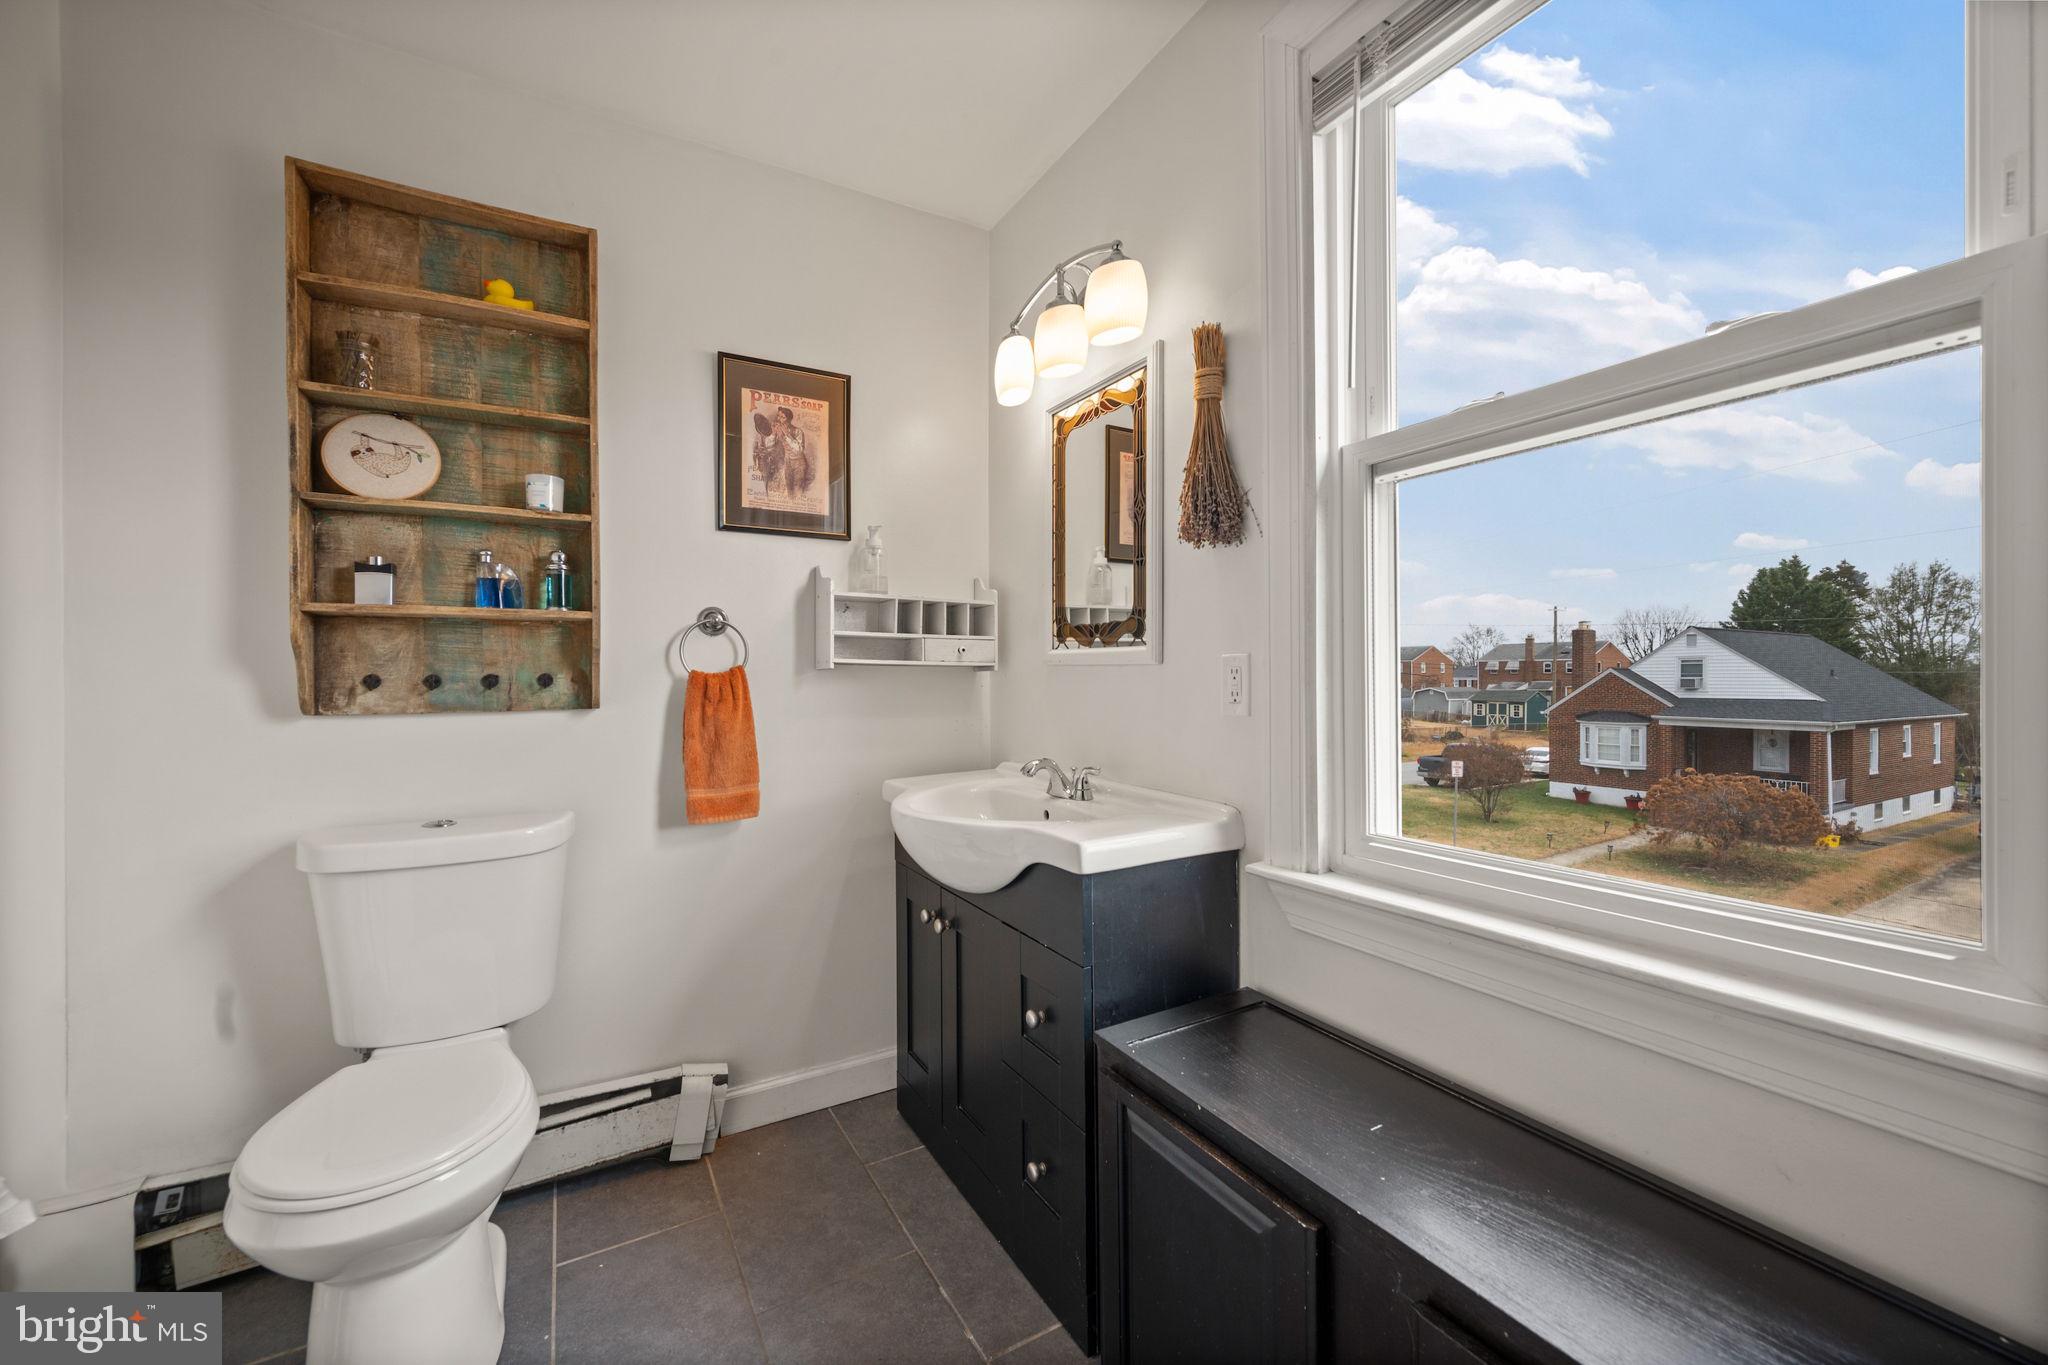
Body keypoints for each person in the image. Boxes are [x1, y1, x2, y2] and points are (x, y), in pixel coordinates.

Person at [773, 405, 812, 496]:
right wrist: (774, 433)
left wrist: (787, 435)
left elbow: (799, 450)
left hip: (799, 464)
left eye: (783, 417)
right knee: (788, 490)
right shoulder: (778, 430)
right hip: (787, 462)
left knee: (798, 490)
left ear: (789, 419)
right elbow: (771, 446)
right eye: (778, 416)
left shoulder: (798, 431)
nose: (779, 419)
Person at [750, 410, 784, 492]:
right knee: (766, 483)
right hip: (766, 464)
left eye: (777, 426)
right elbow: (757, 451)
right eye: (774, 425)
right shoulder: (764, 436)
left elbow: (780, 451)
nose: (775, 427)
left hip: (778, 464)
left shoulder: (779, 437)